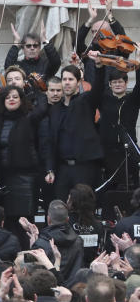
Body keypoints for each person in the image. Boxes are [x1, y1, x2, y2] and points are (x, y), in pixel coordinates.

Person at [0, 85, 50, 231]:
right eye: (7, 97)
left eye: (15, 97)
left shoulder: (29, 117)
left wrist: (38, 88)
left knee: (24, 220)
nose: (11, 100)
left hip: (25, 178)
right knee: (6, 219)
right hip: (3, 177)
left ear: (22, 99)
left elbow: (43, 106)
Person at [43, 57, 105, 203]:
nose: (67, 82)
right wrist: (50, 169)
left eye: (71, 79)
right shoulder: (55, 109)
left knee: (84, 207)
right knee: (61, 205)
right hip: (62, 167)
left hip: (84, 166)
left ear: (78, 82)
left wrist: (99, 67)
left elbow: (98, 89)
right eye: (64, 79)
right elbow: (51, 141)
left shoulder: (85, 101)